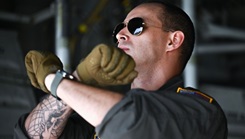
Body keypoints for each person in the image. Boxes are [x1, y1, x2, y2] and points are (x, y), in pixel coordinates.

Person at [14, 1, 228, 139]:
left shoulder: (199, 111)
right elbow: (32, 136)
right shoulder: (96, 113)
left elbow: (131, 120)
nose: (120, 35)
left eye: (136, 26)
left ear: (173, 41)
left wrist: (57, 82)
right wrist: (78, 78)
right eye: (119, 29)